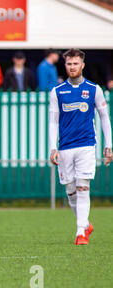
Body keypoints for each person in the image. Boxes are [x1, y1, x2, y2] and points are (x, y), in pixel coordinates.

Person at [49, 48, 112, 245]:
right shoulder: (57, 92)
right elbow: (53, 121)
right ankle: (85, 224)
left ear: (82, 65)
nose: (72, 67)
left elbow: (104, 117)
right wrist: (53, 147)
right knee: (71, 191)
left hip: (87, 145)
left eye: (76, 63)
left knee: (83, 186)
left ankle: (80, 233)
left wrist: (108, 145)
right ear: (65, 65)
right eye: (69, 64)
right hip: (65, 147)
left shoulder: (94, 89)